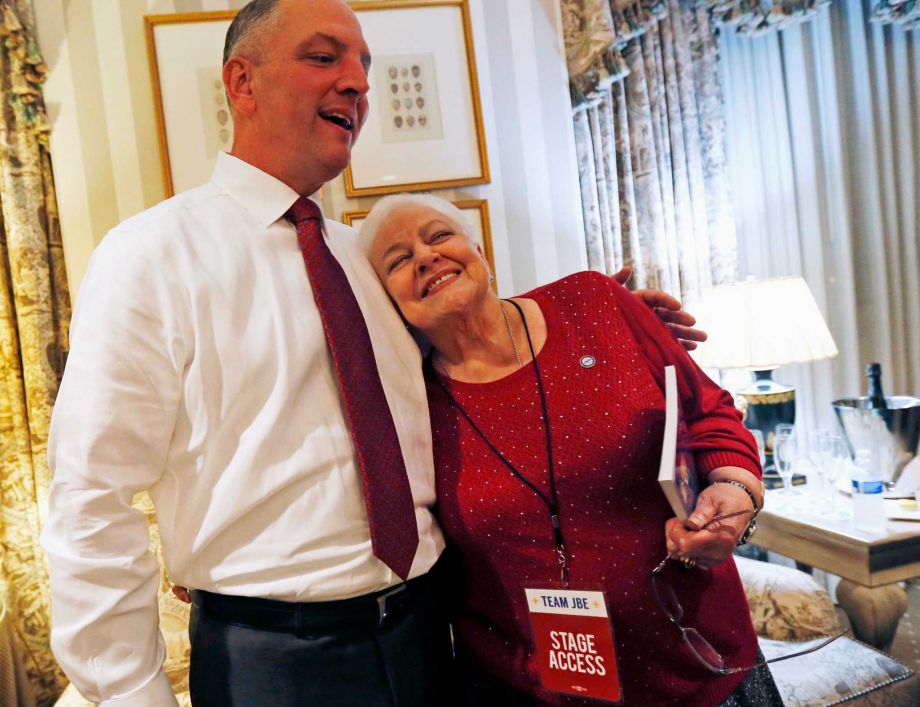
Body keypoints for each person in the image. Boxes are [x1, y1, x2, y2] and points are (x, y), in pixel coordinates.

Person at [40, 1, 705, 706]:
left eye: (365, 66)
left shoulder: (363, 263)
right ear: (242, 82)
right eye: (325, 58)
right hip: (272, 662)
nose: (357, 82)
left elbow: (460, 358)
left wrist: (594, 321)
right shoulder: (148, 257)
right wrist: (128, 693)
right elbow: (90, 495)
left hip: (433, 633)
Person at [359, 193, 785, 706]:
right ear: (387, 303)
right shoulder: (407, 406)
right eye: (399, 260)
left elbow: (709, 411)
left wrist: (735, 491)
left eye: (438, 236)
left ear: (478, 250)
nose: (425, 257)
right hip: (532, 692)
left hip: (702, 665)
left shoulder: (594, 302)